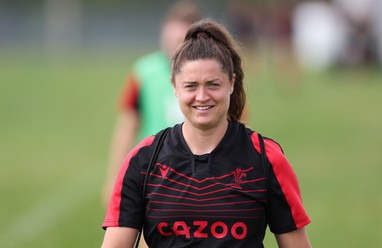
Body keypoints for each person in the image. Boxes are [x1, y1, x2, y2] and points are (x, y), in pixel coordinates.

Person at [102, 19, 312, 248]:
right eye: (191, 86)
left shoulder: (266, 159)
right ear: (174, 85)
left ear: (231, 83)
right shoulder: (143, 161)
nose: (202, 96)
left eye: (213, 84)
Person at [103, 1, 202, 206]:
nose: (173, 47)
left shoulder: (211, 72)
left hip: (200, 173)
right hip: (154, 172)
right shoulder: (144, 71)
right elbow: (127, 125)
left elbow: (237, 123)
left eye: (180, 40)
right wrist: (114, 177)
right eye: (170, 39)